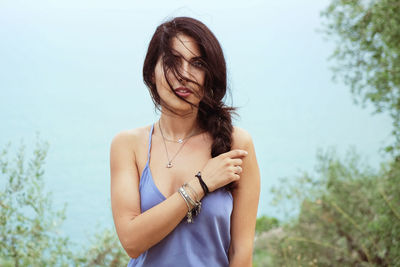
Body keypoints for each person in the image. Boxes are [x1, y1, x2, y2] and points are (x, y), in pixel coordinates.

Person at [110, 16, 260, 267]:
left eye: (197, 63)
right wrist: (200, 185)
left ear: (209, 75)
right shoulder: (128, 145)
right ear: (151, 72)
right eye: (172, 61)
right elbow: (131, 241)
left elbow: (241, 254)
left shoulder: (237, 144)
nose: (184, 75)